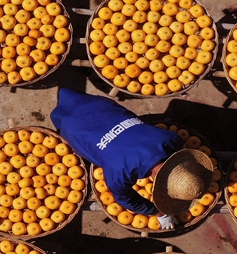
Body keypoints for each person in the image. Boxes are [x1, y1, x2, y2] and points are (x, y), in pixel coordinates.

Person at [50, 88, 214, 230]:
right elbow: (126, 200)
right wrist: (159, 213)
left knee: (73, 99)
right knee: (67, 126)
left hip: (101, 107)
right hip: (76, 128)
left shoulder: (171, 140)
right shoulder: (118, 174)